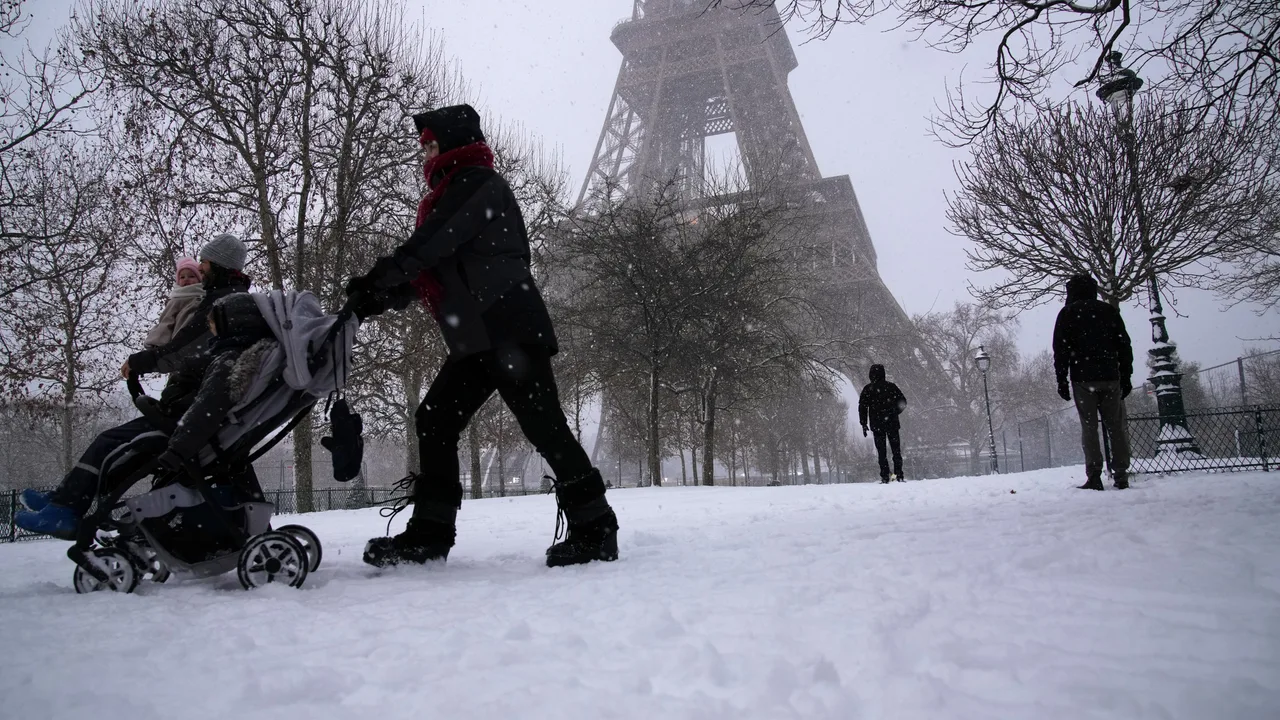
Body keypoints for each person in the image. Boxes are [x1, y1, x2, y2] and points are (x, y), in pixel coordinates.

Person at [343, 103, 619, 569]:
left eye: (430, 143)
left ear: (451, 144)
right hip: (479, 333)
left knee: (544, 426)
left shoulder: (478, 185)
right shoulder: (456, 191)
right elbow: (433, 265)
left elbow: (433, 243)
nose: (424, 152)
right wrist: (378, 298)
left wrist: (377, 278)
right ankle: (430, 533)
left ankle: (596, 529)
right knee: (434, 419)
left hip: (509, 326)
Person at [16, 234, 253, 538]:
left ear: (218, 264)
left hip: (188, 415)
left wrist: (141, 362)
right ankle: (63, 499)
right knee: (113, 442)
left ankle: (65, 509)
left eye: (204, 262)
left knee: (110, 443)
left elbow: (183, 350)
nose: (201, 267)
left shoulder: (221, 304)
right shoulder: (227, 299)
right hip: (191, 410)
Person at [1053, 274, 1133, 490]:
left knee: (1089, 428)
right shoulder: (1108, 311)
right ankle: (1121, 473)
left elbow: (1060, 350)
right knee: (1115, 426)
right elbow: (1124, 345)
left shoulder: (1067, 314)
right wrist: (1125, 376)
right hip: (1110, 375)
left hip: (1083, 377)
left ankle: (1094, 475)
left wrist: (1061, 379)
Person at [859, 364, 907, 483]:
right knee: (896, 451)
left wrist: (864, 424)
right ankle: (898, 475)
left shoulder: (868, 389)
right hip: (892, 424)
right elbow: (903, 402)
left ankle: (885, 477)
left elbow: (862, 408)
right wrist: (894, 412)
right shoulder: (891, 387)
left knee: (882, 453)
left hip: (877, 425)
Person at [143, 257, 205, 349]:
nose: (186, 279)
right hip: (179, 341)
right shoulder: (178, 298)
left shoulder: (206, 295)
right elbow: (166, 321)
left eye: (191, 276)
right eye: (182, 277)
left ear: (200, 279)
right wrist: (156, 343)